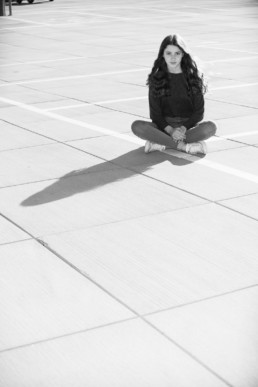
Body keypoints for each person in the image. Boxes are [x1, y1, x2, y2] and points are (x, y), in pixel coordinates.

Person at [131, 34, 217, 155]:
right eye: (169, 53)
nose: (173, 57)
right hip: (164, 127)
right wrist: (171, 131)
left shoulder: (194, 77)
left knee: (210, 127)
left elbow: (199, 113)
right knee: (137, 126)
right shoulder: (156, 79)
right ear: (163, 55)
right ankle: (183, 146)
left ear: (183, 54)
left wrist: (182, 128)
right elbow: (155, 114)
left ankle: (161, 142)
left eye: (177, 53)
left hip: (188, 128)